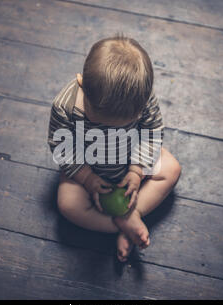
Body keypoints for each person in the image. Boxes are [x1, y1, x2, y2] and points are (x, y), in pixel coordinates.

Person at [48, 34, 181, 262]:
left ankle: (132, 213)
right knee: (68, 205)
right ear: (82, 83)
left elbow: (152, 131)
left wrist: (137, 170)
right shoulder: (65, 107)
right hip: (87, 167)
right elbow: (62, 147)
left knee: (171, 169)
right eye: (98, 119)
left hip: (131, 160)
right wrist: (87, 178)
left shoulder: (142, 98)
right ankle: (119, 224)